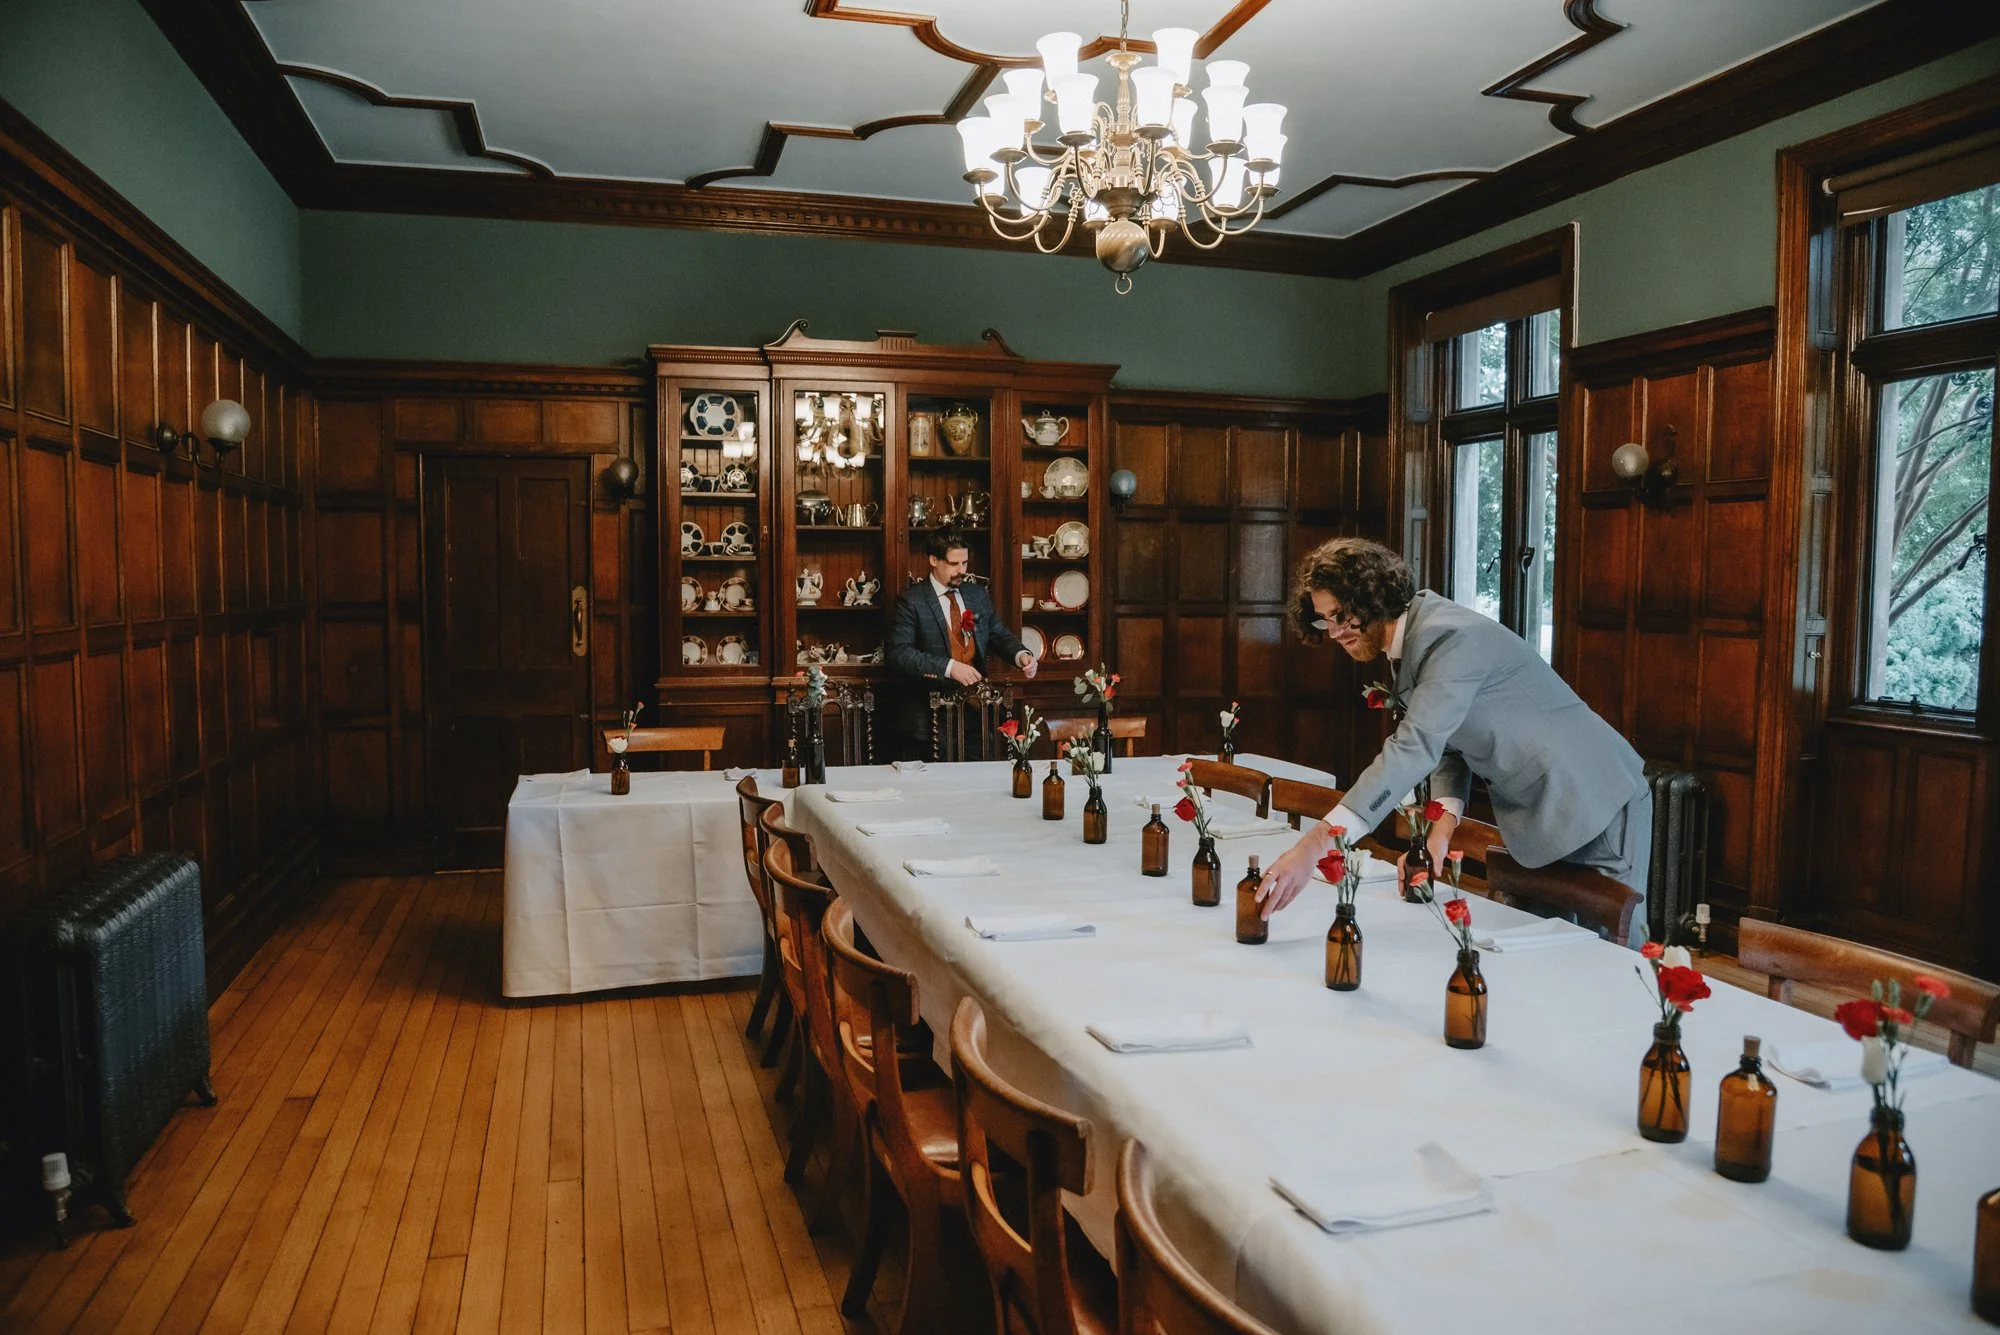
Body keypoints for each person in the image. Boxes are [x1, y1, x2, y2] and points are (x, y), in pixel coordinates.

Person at [1257, 537, 1652, 934]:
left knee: (1610, 954)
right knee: (1552, 952)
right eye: (1324, 619)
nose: (1333, 632)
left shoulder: (1450, 639)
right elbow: (1450, 743)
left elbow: (1414, 748)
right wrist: (1440, 831)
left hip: (1595, 797)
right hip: (1545, 811)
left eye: (1341, 615)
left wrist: (1315, 845)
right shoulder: (1414, 641)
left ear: (1372, 597)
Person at [882, 528, 1037, 760]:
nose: (962, 571)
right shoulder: (911, 600)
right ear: (933, 560)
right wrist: (949, 667)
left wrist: (1021, 654)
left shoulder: (977, 595)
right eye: (954, 564)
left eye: (965, 563)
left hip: (975, 715)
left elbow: (997, 633)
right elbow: (898, 654)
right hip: (927, 719)